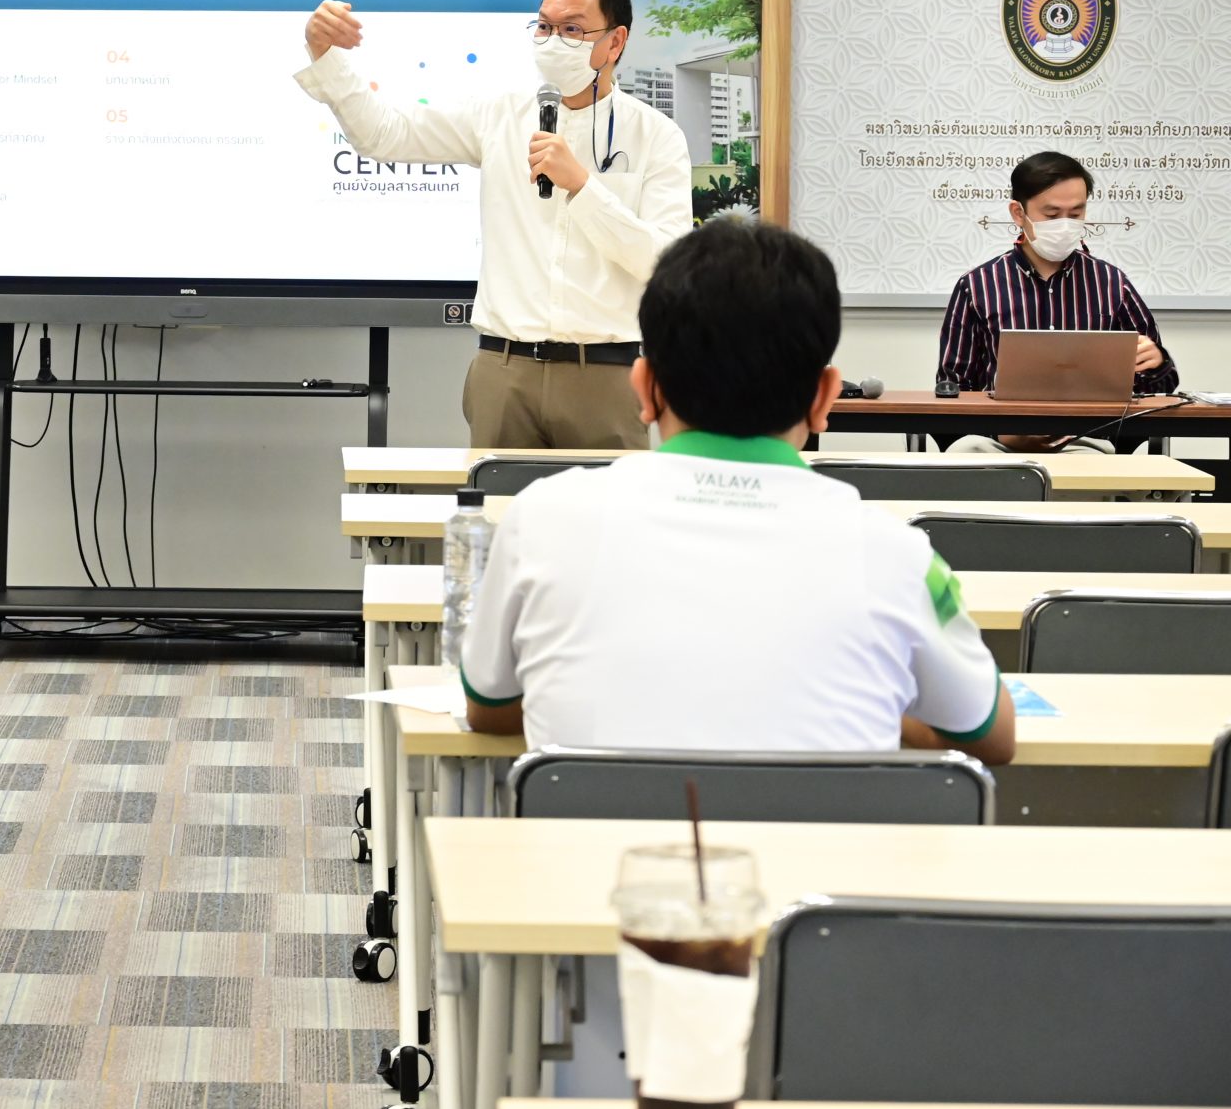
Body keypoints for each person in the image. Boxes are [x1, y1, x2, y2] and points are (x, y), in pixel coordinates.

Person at [460, 217, 1015, 764]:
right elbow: (989, 736)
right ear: (825, 398)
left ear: (645, 389)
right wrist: (884, 710)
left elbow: (488, 707)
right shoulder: (899, 555)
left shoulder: (540, 520)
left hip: (588, 829)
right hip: (811, 830)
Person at [299, 0, 694, 448]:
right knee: (495, 499)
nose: (552, 41)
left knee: (606, 501)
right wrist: (327, 57)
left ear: (615, 42)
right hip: (504, 370)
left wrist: (583, 187)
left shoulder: (656, 136)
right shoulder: (498, 114)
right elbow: (384, 134)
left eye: (571, 29)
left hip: (605, 376)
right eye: (544, 26)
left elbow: (666, 263)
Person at [937, 151, 1177, 450]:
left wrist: (1156, 364)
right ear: (1018, 213)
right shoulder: (977, 285)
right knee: (967, 450)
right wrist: (1000, 433)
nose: (1065, 225)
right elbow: (952, 390)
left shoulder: (1111, 283)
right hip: (998, 443)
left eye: (1076, 214)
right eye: (1051, 215)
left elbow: (1162, 388)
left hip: (1087, 441)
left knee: (1100, 462)